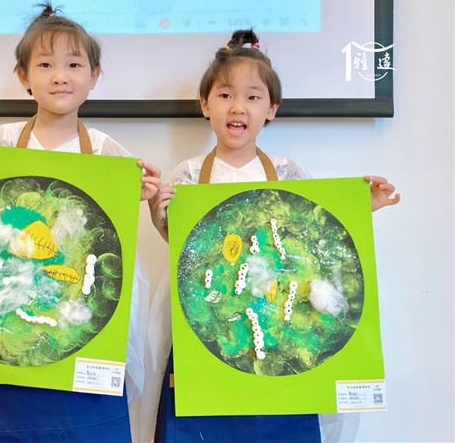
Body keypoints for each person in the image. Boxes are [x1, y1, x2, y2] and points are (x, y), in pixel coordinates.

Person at [0, 3, 160, 443]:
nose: (59, 76)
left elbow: (114, 229)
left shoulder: (107, 151)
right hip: (9, 319)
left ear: (94, 76)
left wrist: (142, 192)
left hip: (79, 319)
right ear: (23, 76)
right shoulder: (0, 142)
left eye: (73, 65)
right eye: (45, 65)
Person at [147, 29, 400, 442]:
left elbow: (316, 238)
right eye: (225, 95)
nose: (238, 107)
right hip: (214, 320)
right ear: (205, 104)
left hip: (278, 319)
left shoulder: (287, 172)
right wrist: (159, 216)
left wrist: (361, 207)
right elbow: (182, 247)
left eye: (253, 96)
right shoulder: (188, 174)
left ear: (272, 109)